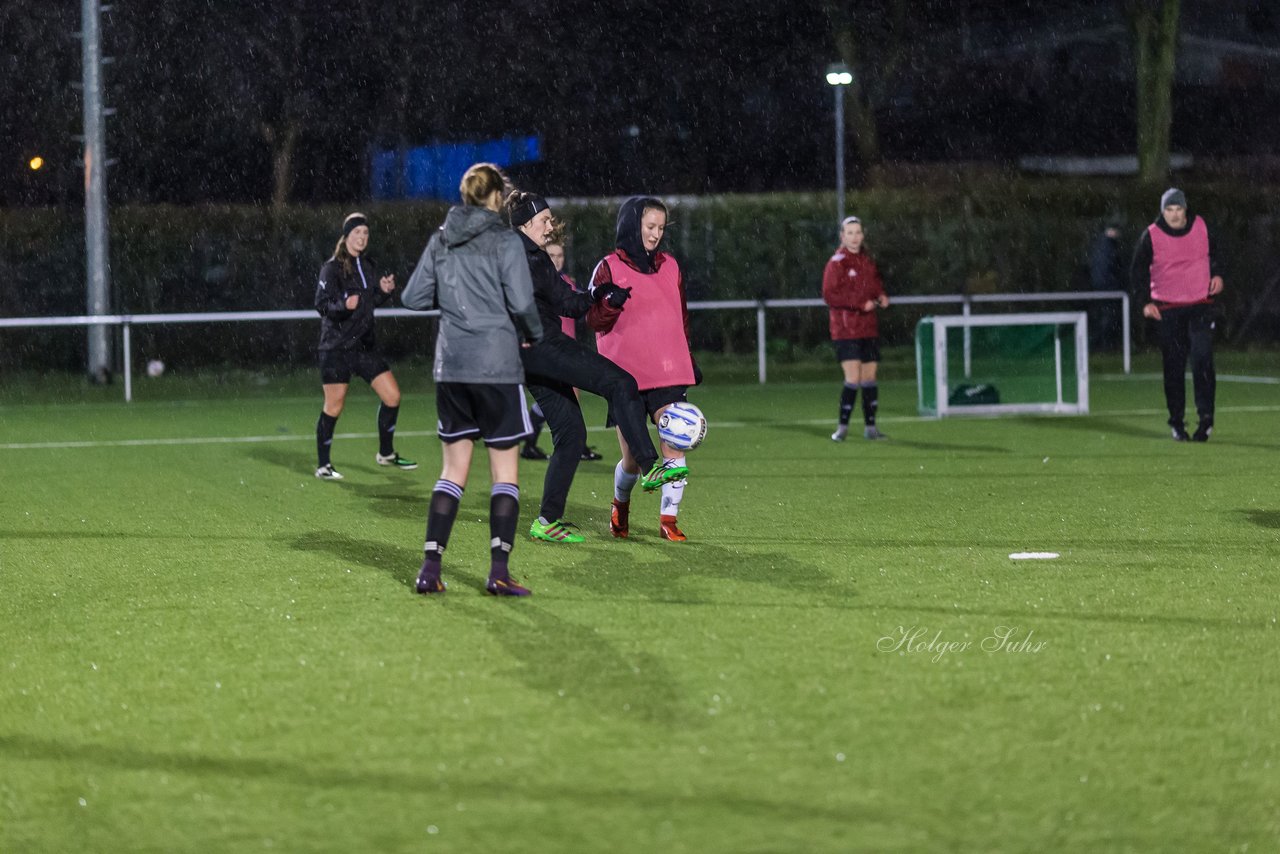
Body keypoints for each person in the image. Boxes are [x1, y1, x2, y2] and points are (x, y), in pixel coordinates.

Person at [508, 192, 688, 545]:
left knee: (572, 435)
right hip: (540, 346)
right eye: (544, 219)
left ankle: (546, 520)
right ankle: (650, 465)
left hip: (531, 355)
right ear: (525, 223)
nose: (549, 225)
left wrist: (601, 295)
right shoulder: (512, 253)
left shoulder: (535, 258)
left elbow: (568, 303)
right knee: (621, 383)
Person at [400, 163, 542, 596]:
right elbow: (521, 301)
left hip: (452, 367)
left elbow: (412, 297)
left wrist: (454, 305)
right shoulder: (504, 240)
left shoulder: (441, 239)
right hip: (496, 366)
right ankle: (498, 571)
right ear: (497, 197)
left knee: (452, 471)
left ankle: (430, 568)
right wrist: (534, 334)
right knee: (504, 473)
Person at [588, 196, 700, 542]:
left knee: (674, 444)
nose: (655, 235)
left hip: (668, 371)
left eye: (661, 228)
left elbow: (680, 316)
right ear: (631, 225)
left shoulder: (671, 266)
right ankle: (620, 504)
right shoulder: (607, 267)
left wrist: (688, 358)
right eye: (649, 227)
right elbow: (593, 319)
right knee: (633, 462)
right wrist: (610, 303)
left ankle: (669, 521)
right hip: (625, 377)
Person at [312, 212, 416, 480]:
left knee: (392, 397)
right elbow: (322, 305)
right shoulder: (332, 268)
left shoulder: (368, 265)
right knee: (333, 406)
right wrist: (342, 307)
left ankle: (386, 453)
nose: (362, 237)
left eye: (366, 233)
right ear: (346, 236)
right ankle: (323, 465)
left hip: (364, 348)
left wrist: (382, 291)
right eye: (357, 232)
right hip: (335, 348)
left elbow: (366, 306)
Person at [1130, 188, 1224, 442]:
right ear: (1163, 211)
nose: (1173, 214)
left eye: (1178, 209)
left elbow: (1218, 253)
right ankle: (1177, 422)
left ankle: (1206, 420)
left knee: (1202, 358)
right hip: (1168, 309)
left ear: (1185, 209)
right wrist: (1144, 303)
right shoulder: (1150, 236)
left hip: (1200, 304)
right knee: (1173, 365)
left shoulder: (1202, 227)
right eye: (1169, 209)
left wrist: (1217, 274)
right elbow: (1137, 271)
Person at [821, 215, 890, 442]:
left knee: (870, 377)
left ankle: (871, 428)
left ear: (862, 234)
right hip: (846, 330)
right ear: (842, 236)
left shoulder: (867, 261)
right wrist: (860, 304)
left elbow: (874, 284)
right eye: (849, 233)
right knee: (853, 378)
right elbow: (830, 295)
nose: (854, 236)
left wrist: (880, 296)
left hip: (868, 328)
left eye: (858, 232)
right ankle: (842, 429)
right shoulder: (837, 262)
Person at [1088, 216, 1125, 351]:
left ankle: (1101, 345)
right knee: (1108, 317)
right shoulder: (1108, 246)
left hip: (1101, 287)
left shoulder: (1100, 244)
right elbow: (1110, 268)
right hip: (1108, 288)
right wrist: (1116, 284)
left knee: (1105, 316)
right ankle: (1103, 346)